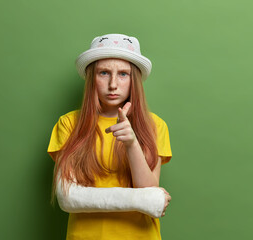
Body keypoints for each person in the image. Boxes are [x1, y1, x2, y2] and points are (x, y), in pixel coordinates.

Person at [47, 33, 172, 240]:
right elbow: (67, 197)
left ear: (135, 80)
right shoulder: (69, 124)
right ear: (91, 78)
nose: (113, 84)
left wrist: (132, 144)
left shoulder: (155, 125)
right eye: (104, 73)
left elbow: (149, 196)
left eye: (123, 74)